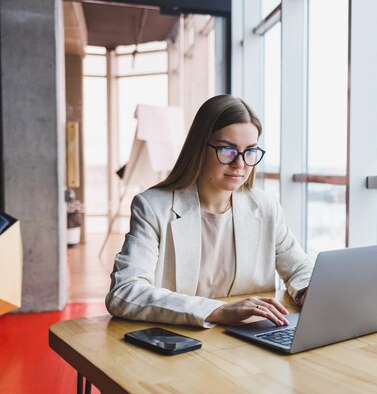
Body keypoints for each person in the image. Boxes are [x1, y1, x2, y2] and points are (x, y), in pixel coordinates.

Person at [105, 94, 312, 329]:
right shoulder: (153, 207)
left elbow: (299, 267)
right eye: (227, 150)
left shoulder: (265, 206)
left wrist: (308, 291)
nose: (240, 164)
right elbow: (124, 293)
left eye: (250, 151)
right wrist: (217, 310)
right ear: (199, 148)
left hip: (251, 340)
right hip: (180, 341)